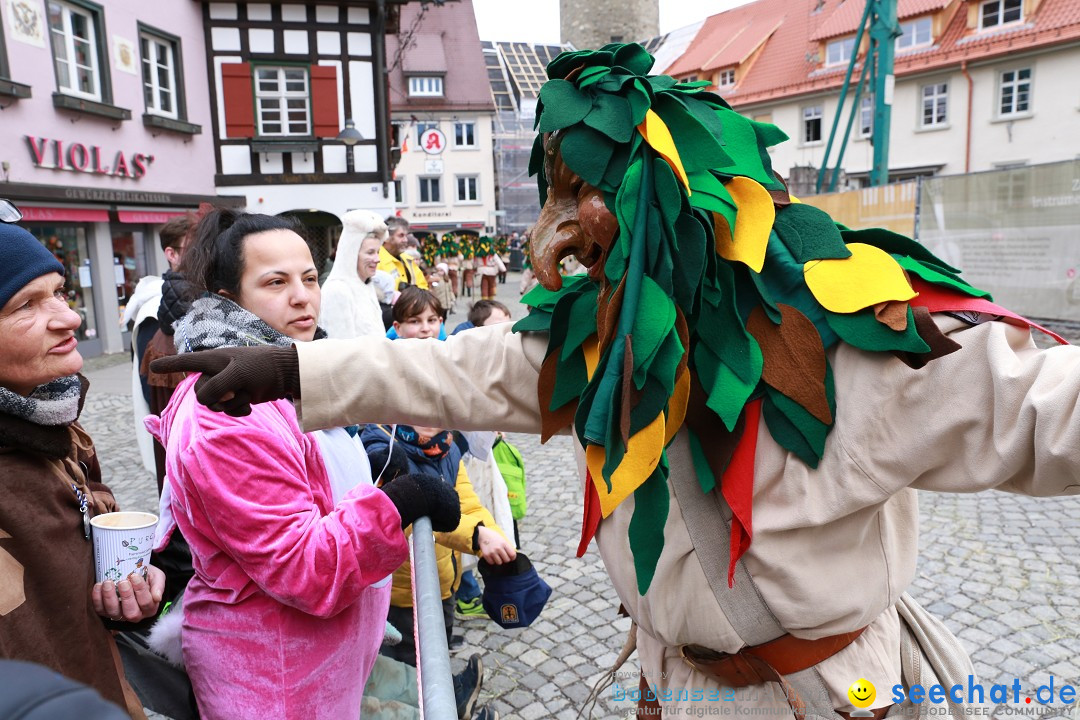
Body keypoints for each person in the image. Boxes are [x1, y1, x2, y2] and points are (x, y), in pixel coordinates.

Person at [151, 44, 1080, 717]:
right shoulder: (596, 344)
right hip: (675, 686)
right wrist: (290, 368)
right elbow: (448, 370)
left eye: (581, 189)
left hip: (824, 696)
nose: (553, 233)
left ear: (667, 188)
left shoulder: (854, 339)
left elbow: (1044, 409)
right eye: (551, 191)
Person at [147, 209, 459, 720]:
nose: (302, 296)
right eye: (275, 281)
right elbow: (305, 567)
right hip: (274, 681)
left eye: (309, 277)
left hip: (309, 666)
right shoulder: (228, 412)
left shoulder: (283, 371)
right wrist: (399, 502)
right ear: (229, 299)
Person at [0, 218, 165, 719]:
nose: (68, 317)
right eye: (26, 305)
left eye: (59, 292)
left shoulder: (55, 424)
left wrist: (127, 597)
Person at [122, 215, 194, 478]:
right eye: (193, 249)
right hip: (180, 435)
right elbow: (151, 385)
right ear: (171, 254)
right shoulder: (154, 309)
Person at [319, 209, 389, 339]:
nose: (377, 259)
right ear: (351, 253)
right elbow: (342, 350)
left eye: (378, 252)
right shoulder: (337, 290)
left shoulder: (365, 285)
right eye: (370, 252)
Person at [379, 216, 428, 290]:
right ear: (386, 237)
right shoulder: (376, 261)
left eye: (406, 236)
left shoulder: (409, 260)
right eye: (401, 236)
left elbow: (423, 286)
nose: (405, 240)